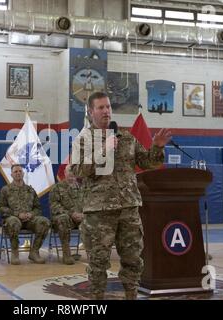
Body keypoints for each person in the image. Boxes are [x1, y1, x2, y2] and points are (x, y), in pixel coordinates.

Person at [70, 92, 172, 300]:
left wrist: (157, 147)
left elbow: (147, 163)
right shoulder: (84, 139)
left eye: (108, 107)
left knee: (133, 259)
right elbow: (78, 170)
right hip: (99, 212)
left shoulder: (125, 137)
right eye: (101, 108)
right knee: (98, 263)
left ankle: (131, 295)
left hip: (128, 208)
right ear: (90, 111)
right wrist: (104, 150)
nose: (106, 111)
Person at [0, 164, 50, 265]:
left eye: (20, 171)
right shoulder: (5, 190)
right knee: (13, 222)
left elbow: (38, 208)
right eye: (15, 172)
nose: (18, 173)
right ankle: (15, 252)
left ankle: (34, 252)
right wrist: (17, 214)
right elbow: (1, 208)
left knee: (44, 222)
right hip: (13, 219)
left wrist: (31, 214)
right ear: (11, 174)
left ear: (23, 173)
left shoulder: (30, 190)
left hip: (30, 220)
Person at [49, 165, 83, 265]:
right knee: (63, 218)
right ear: (65, 173)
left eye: (74, 171)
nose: (72, 173)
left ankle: (95, 253)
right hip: (66, 219)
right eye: (69, 171)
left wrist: (83, 215)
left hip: (81, 218)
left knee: (95, 218)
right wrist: (71, 214)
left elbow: (89, 203)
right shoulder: (57, 188)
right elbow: (54, 206)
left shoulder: (83, 188)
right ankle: (66, 253)